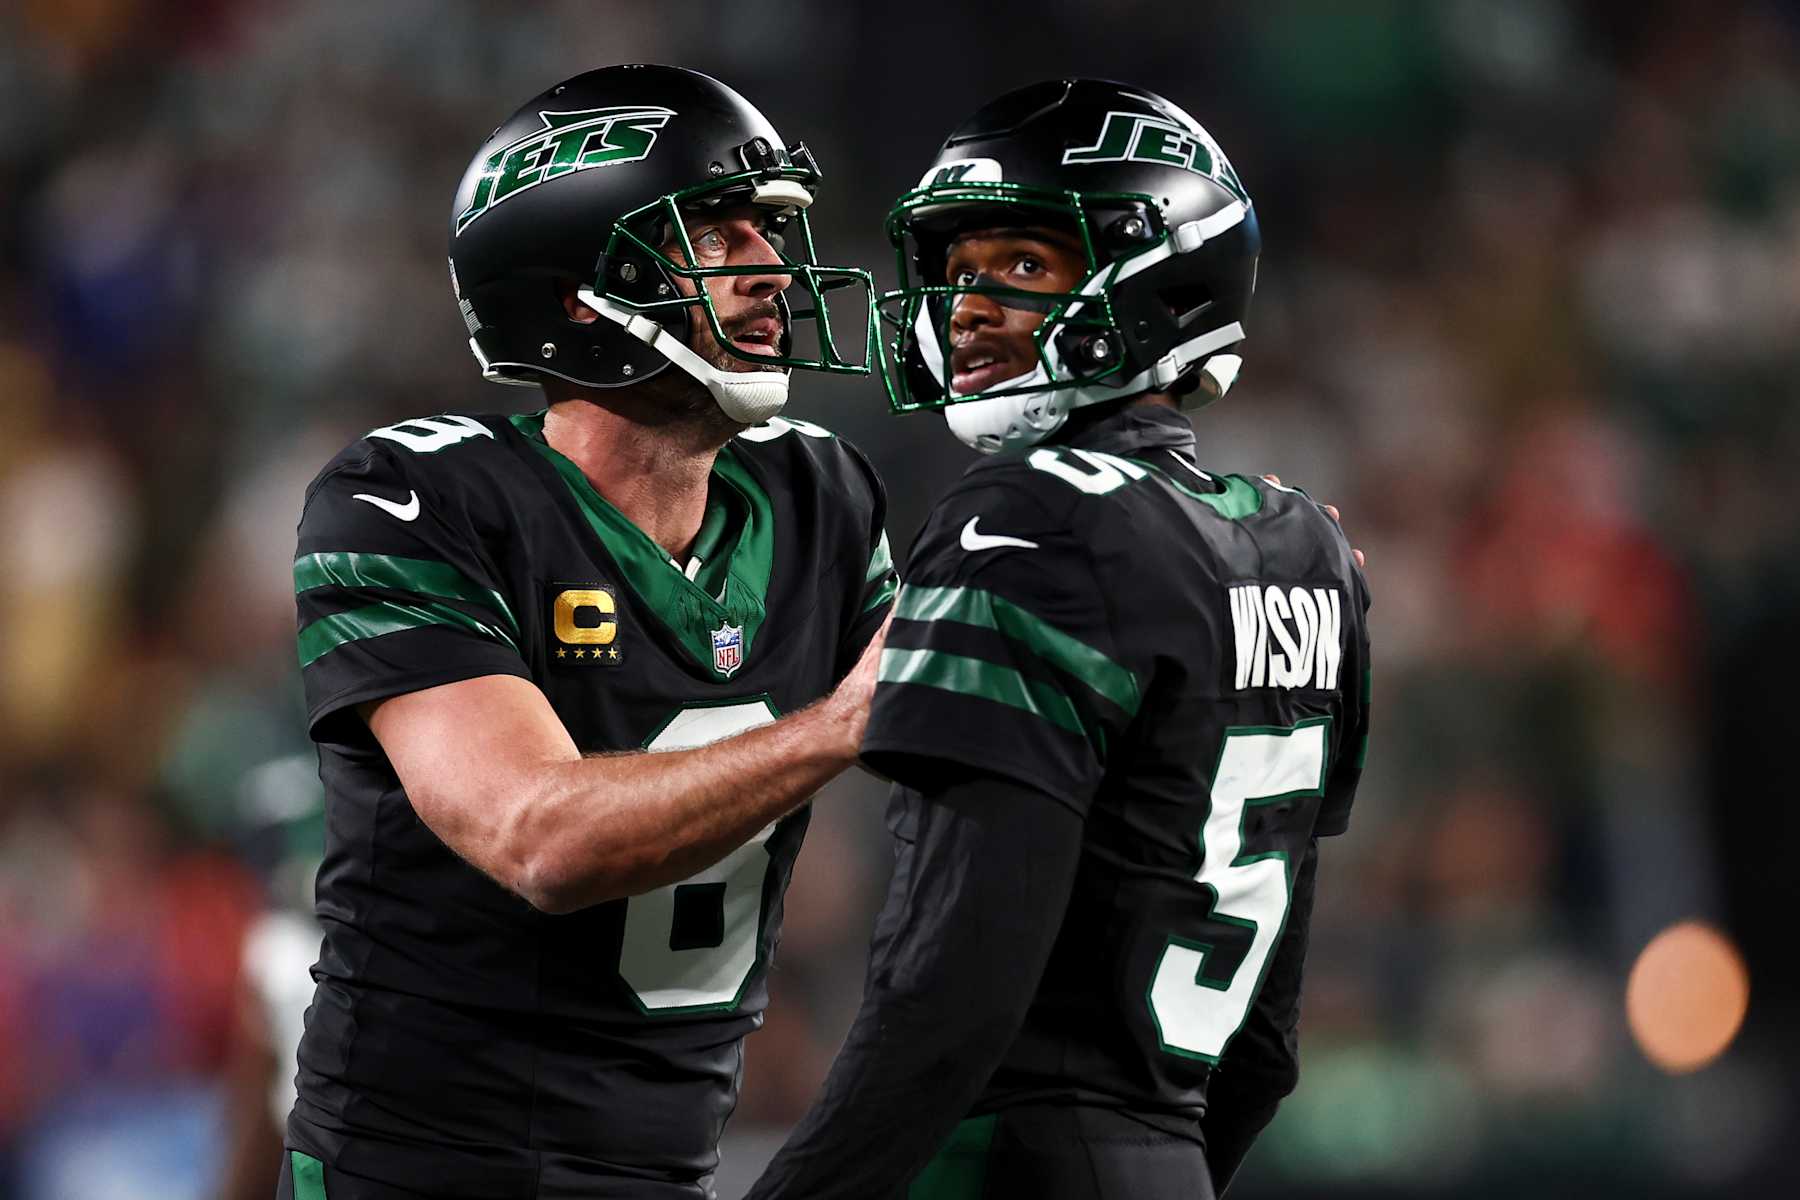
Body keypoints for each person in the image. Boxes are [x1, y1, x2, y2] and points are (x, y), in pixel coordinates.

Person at [745, 79, 1371, 1200]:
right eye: (958, 272)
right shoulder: (1306, 545)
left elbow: (949, 996)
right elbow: (1265, 1048)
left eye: (1024, 265)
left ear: (1159, 277)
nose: (967, 309)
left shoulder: (1028, 518)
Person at [276, 65, 894, 1200]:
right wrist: (840, 724)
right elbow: (540, 840)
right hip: (418, 1177)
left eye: (770, 229)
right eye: (718, 234)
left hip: (669, 1169)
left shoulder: (823, 495)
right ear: (577, 295)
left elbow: (964, 717)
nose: (770, 266)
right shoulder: (411, 498)